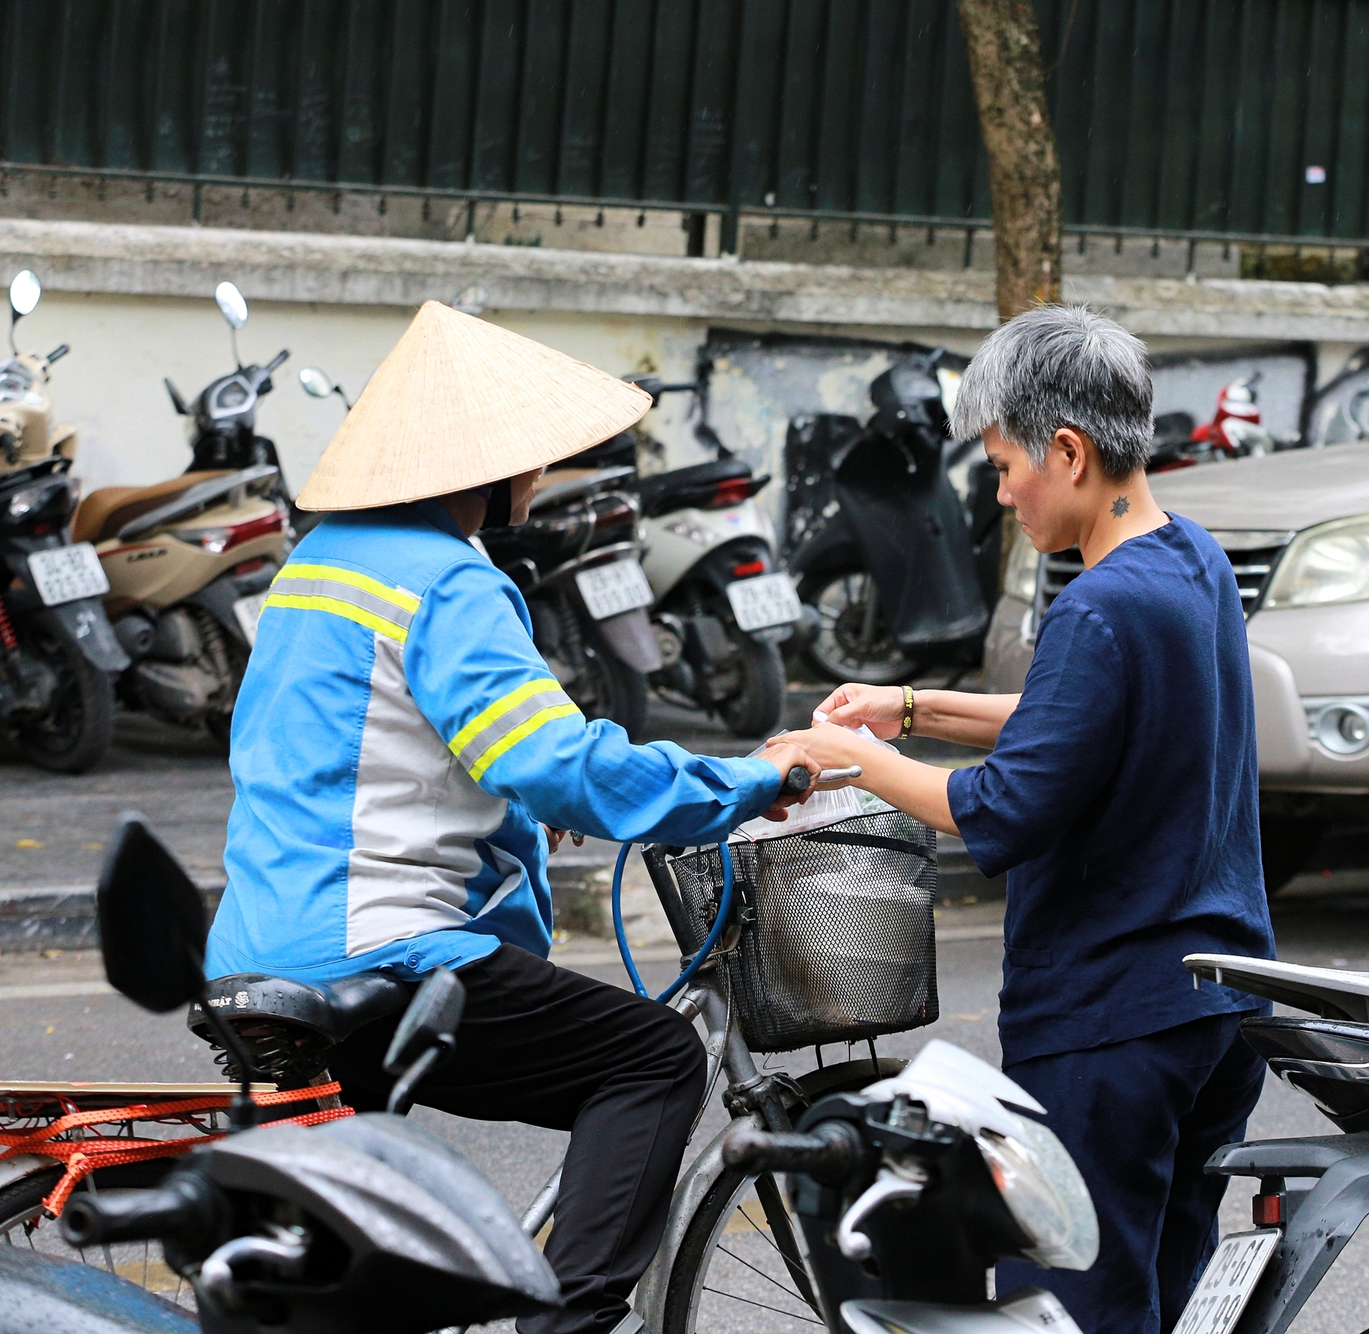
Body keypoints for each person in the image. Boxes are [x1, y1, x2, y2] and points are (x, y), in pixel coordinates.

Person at [207, 301, 818, 1334]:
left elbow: (356, 754)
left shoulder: (313, 566)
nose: (537, 476)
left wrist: (505, 799)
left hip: (259, 948)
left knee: (367, 1256)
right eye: (526, 458)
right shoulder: (449, 581)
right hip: (381, 948)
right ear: (481, 469)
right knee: (653, 1060)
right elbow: (552, 759)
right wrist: (750, 781)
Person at [788, 305, 1276, 1334]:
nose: (1000, 491)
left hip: (1115, 1020)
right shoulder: (1188, 561)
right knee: (1161, 1301)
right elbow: (1080, 718)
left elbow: (998, 810)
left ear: (1069, 450)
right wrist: (911, 706)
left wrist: (857, 757)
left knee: (1075, 1310)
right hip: (1218, 1012)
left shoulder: (1097, 607)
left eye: (1007, 464)